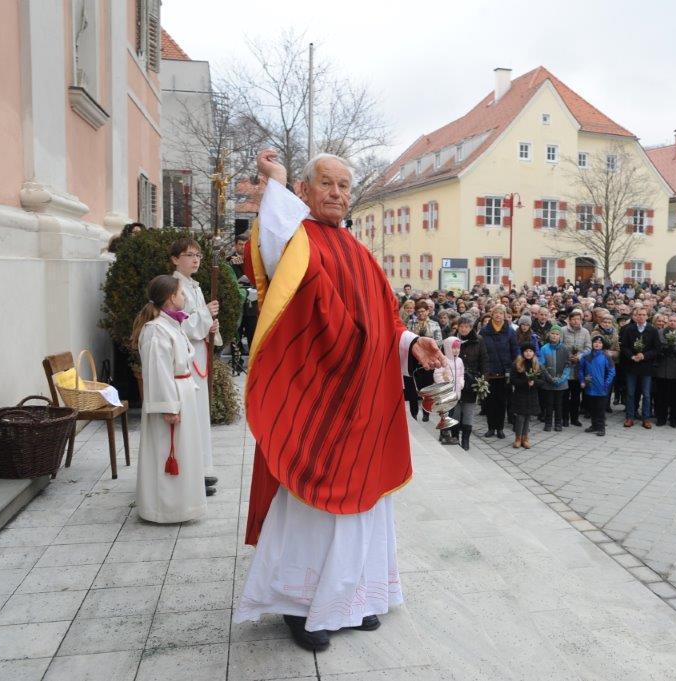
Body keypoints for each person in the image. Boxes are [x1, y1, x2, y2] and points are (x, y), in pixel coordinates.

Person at [234, 150, 443, 651]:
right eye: (326, 183)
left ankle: (352, 599)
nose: (337, 193)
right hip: (318, 403)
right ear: (304, 191)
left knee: (362, 505)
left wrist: (410, 342)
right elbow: (271, 245)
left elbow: (383, 320)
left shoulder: (359, 252)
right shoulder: (297, 241)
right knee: (312, 508)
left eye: (344, 186)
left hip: (364, 403)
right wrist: (276, 181)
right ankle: (299, 606)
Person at [132, 275, 206, 524]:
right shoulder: (156, 330)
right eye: (182, 293)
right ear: (171, 297)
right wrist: (169, 406)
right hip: (172, 396)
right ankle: (164, 509)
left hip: (182, 392)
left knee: (185, 451)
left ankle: (185, 504)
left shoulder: (172, 325)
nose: (184, 297)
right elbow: (158, 371)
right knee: (167, 450)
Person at [170, 237, 222, 496]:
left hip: (199, 353)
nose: (195, 260)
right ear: (175, 259)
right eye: (189, 255)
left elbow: (199, 321)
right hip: (187, 356)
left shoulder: (195, 286)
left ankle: (201, 468)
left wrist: (211, 324)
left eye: (198, 255)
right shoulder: (174, 287)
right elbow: (179, 323)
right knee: (191, 414)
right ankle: (190, 472)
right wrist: (205, 315)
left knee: (200, 413)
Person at [480, 304, 519, 439]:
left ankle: (500, 428)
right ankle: (491, 428)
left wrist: (514, 367)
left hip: (504, 372)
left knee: (502, 402)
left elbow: (515, 351)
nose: (498, 315)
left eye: (501, 313)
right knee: (490, 402)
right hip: (489, 372)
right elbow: (481, 351)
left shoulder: (510, 331)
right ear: (492, 315)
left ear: (504, 316)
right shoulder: (484, 331)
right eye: (496, 313)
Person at [619, 307, 660, 429]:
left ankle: (646, 418)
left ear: (647, 316)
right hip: (632, 366)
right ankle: (630, 417)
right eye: (639, 315)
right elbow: (624, 346)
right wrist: (632, 356)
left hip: (646, 367)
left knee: (646, 394)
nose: (641, 317)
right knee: (630, 393)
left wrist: (644, 355)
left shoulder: (652, 330)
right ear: (635, 316)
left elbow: (657, 349)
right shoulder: (629, 329)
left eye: (643, 314)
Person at [452, 314, 487, 451]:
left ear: (471, 327)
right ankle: (454, 435)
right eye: (461, 326)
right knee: (455, 410)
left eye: (467, 326)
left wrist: (483, 380)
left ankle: (465, 439)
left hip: (472, 379)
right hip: (455, 379)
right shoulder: (453, 339)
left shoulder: (479, 340)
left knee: (468, 410)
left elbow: (484, 360)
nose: (464, 329)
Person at [579, 335, 616, 436]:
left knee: (600, 409)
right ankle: (594, 425)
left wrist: (606, 383)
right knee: (592, 408)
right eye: (595, 342)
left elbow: (612, 371)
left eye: (599, 343)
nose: (597, 344)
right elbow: (581, 369)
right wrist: (582, 381)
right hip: (590, 387)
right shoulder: (586, 356)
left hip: (601, 388)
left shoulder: (606, 356)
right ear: (592, 344)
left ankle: (601, 427)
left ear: (602, 345)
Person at [561, 309, 592, 427]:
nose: (575, 321)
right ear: (569, 320)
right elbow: (560, 345)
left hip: (579, 367)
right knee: (565, 394)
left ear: (581, 320)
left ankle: (574, 418)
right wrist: (569, 356)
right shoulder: (563, 330)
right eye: (573, 319)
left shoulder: (585, 332)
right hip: (566, 366)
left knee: (576, 395)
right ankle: (564, 418)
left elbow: (588, 348)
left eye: (578, 319)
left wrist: (579, 356)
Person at [538, 325, 571, 432]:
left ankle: (558, 423)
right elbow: (541, 365)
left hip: (561, 382)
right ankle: (548, 423)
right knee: (548, 403)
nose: (554, 336)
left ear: (560, 336)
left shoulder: (565, 349)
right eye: (552, 333)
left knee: (559, 404)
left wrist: (561, 379)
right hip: (548, 382)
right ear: (549, 334)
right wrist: (549, 378)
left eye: (557, 334)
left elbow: (568, 365)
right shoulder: (544, 348)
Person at [434, 337, 465, 445]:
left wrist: (461, 383)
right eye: (453, 348)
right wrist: (445, 383)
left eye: (458, 348)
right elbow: (437, 375)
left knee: (450, 414)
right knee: (446, 414)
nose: (456, 350)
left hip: (456, 393)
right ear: (448, 348)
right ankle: (445, 436)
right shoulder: (444, 360)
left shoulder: (459, 361)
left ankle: (444, 434)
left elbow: (461, 374)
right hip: (446, 393)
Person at [510, 344, 542, 448]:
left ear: (534, 353)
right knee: (520, 417)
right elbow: (513, 380)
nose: (528, 353)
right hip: (520, 394)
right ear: (523, 352)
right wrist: (525, 382)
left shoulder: (537, 364)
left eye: (530, 351)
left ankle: (525, 438)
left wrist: (534, 382)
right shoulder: (517, 364)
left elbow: (542, 381)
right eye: (526, 351)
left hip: (532, 394)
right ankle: (518, 438)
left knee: (528, 417)